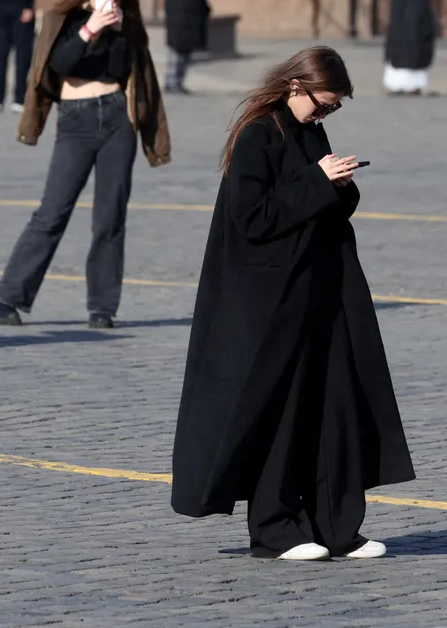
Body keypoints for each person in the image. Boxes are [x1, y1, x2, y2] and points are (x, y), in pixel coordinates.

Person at [171, 46, 415, 561]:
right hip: (271, 301)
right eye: (324, 105)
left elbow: (323, 205)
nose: (327, 114)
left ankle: (336, 527)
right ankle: (277, 528)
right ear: (296, 86)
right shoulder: (259, 133)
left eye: (334, 109)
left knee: (333, 407)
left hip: (320, 291)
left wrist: (339, 185)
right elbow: (252, 219)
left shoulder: (309, 129)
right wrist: (316, 181)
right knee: (280, 415)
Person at [0, 0, 170, 329]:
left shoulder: (127, 29)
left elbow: (122, 72)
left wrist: (119, 32)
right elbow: (60, 64)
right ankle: (8, 299)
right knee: (52, 212)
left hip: (118, 120)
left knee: (110, 216)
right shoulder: (66, 18)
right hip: (76, 120)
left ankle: (102, 308)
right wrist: (91, 29)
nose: (109, 2)